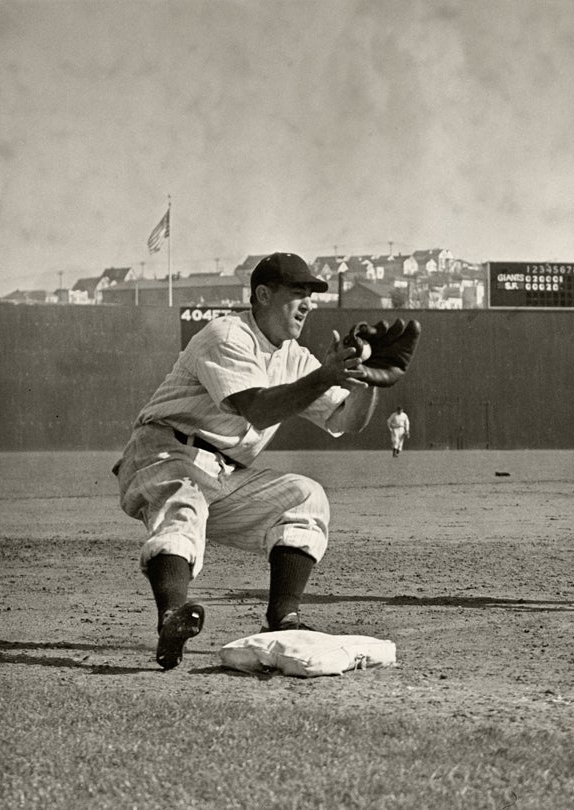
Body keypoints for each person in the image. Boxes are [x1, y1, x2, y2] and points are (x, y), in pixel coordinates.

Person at [112, 252, 415, 670]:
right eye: (298, 293)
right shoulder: (227, 334)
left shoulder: (295, 356)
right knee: (183, 504)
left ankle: (283, 620)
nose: (308, 303)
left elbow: (345, 420)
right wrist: (326, 374)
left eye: (311, 294)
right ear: (263, 294)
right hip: (164, 450)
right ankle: (171, 617)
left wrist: (363, 378)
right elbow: (256, 409)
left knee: (304, 497)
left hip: (222, 471)